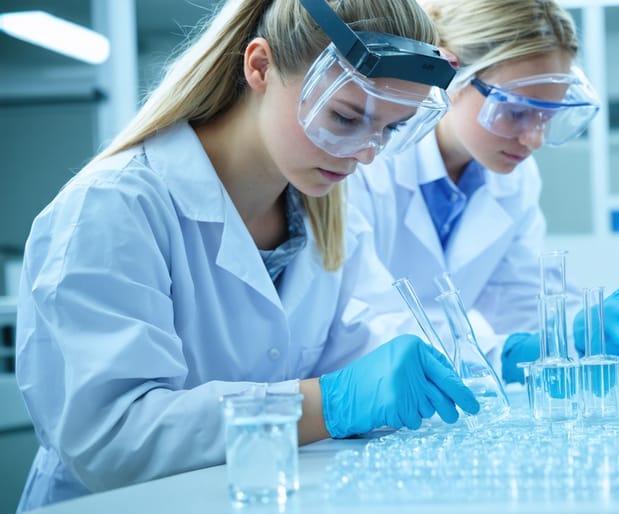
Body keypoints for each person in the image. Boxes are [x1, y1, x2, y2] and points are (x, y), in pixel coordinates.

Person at [14, 0, 482, 510]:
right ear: (259, 66)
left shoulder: (326, 213)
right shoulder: (114, 207)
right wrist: (331, 402)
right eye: (345, 117)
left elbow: (362, 346)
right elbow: (110, 440)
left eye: (389, 130)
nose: (366, 153)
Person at [346, 0, 619, 384]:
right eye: (515, 111)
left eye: (548, 115)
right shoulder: (365, 163)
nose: (534, 139)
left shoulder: (513, 180)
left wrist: (588, 322)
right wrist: (506, 353)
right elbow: (363, 320)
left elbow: (517, 302)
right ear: (448, 74)